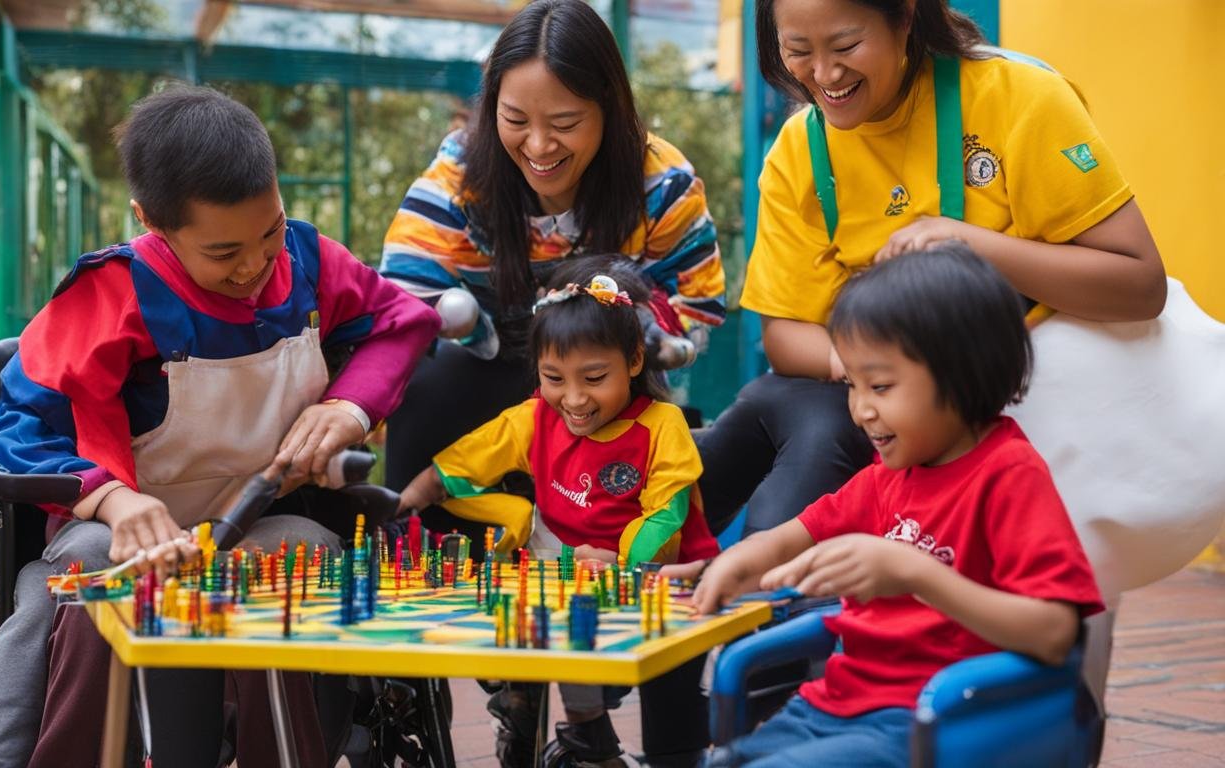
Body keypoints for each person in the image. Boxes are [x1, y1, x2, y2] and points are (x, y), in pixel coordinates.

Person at [0, 84, 441, 768]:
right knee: (86, 575)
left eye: (270, 231)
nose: (254, 266)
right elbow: (24, 426)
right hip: (110, 524)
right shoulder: (111, 293)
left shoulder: (309, 264)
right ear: (152, 222)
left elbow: (402, 322)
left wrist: (349, 407)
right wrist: (112, 499)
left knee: (305, 553)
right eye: (223, 254)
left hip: (255, 521)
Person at [695, 0, 1165, 541]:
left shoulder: (1018, 98)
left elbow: (1140, 284)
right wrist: (875, 371)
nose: (824, 75)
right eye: (798, 51)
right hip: (870, 399)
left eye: (846, 46)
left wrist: (971, 245)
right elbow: (783, 333)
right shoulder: (800, 147)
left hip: (1026, 403)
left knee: (804, 478)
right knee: (758, 428)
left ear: (906, 16)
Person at [694, 245, 1105, 767]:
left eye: (881, 386)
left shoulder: (1009, 476)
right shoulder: (884, 478)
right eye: (853, 385)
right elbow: (785, 540)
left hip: (935, 720)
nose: (861, 409)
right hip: (834, 709)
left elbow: (1055, 635)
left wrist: (917, 574)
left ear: (963, 375)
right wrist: (730, 565)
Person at [380, 0, 727, 526]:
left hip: (606, 381)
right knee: (427, 382)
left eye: (564, 122)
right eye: (515, 119)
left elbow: (697, 306)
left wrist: (642, 333)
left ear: (608, 110)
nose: (539, 146)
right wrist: (473, 329)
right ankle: (414, 552)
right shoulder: (459, 177)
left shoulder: (662, 183)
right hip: (487, 368)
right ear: (491, 105)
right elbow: (401, 300)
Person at [399, 259, 719, 768]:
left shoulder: (663, 426)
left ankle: (583, 733)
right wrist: (412, 496)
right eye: (553, 377)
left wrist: (620, 563)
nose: (573, 399)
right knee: (537, 623)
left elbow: (667, 515)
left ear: (634, 361)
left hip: (656, 577)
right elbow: (473, 456)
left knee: (599, 653)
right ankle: (552, 726)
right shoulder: (535, 418)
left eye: (594, 377)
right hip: (569, 570)